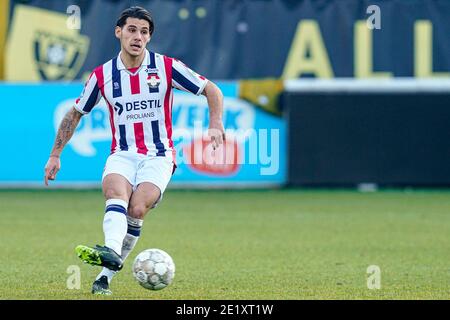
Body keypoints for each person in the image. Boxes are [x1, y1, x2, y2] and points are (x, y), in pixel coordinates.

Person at [44, 6, 225, 295]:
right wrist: (55, 154)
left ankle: (105, 274)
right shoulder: (103, 75)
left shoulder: (166, 67)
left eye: (144, 32)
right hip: (123, 153)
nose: (137, 37)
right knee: (115, 192)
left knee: (137, 208)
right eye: (132, 30)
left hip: (159, 155)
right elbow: (75, 113)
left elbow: (211, 89)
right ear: (119, 32)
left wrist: (215, 122)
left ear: (149, 37)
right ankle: (111, 253)